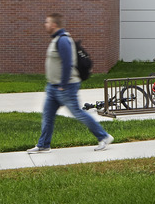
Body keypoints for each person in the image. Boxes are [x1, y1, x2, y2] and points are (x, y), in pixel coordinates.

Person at [28, 13, 113, 153]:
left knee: (78, 113)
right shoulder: (56, 40)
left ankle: (104, 136)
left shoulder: (63, 40)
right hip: (53, 86)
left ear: (54, 24)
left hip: (65, 86)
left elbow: (68, 63)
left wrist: (63, 84)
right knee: (47, 115)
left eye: (47, 22)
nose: (45, 24)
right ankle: (43, 145)